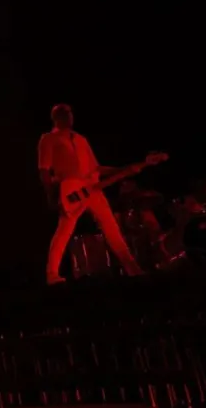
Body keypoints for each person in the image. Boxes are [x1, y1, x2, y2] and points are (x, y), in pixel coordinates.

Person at [38, 103, 143, 284]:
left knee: (112, 229)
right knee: (64, 231)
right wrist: (51, 195)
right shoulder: (48, 139)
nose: (68, 117)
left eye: (69, 114)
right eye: (64, 114)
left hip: (93, 190)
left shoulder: (81, 139)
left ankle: (133, 270)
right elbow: (44, 170)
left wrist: (124, 169)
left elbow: (96, 168)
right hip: (71, 191)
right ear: (55, 118)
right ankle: (52, 275)